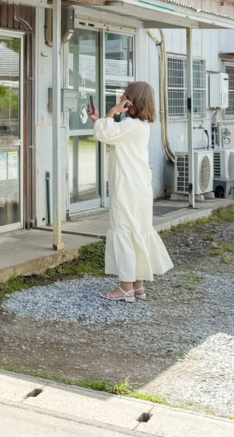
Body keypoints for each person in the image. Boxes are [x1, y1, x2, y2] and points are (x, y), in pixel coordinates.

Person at [87, 81, 173, 302]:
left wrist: (112, 112)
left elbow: (104, 134)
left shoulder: (129, 125)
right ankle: (138, 285)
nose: (120, 97)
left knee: (124, 229)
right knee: (138, 231)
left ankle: (125, 287)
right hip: (140, 188)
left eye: (124, 95)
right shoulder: (141, 126)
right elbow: (110, 132)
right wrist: (101, 120)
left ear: (131, 101)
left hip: (126, 187)